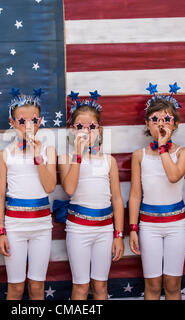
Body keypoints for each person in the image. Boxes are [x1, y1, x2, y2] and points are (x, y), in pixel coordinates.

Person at [54, 90, 124, 300]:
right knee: (81, 287)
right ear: (72, 130)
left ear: (99, 130)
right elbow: (69, 189)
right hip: (79, 229)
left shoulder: (108, 161)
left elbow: (118, 199)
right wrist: (78, 154)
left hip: (104, 229)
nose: (86, 131)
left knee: (101, 286)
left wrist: (118, 235)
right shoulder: (66, 158)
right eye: (80, 127)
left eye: (91, 127)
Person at [128, 82, 185, 300]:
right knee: (153, 284)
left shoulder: (184, 152)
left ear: (175, 124)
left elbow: (174, 176)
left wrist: (163, 147)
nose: (160, 124)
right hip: (149, 225)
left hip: (176, 224)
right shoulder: (140, 155)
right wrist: (134, 228)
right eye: (155, 119)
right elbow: (136, 194)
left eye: (166, 119)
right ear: (147, 124)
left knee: (173, 284)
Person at [0, 88, 57, 300]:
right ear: (12, 123)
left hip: (41, 226)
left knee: (37, 287)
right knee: (16, 288)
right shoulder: (4, 155)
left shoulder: (48, 152)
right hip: (14, 226)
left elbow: (49, 187)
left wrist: (37, 156)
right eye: (22, 121)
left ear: (40, 122)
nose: (28, 126)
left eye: (33, 121)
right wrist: (0, 230)